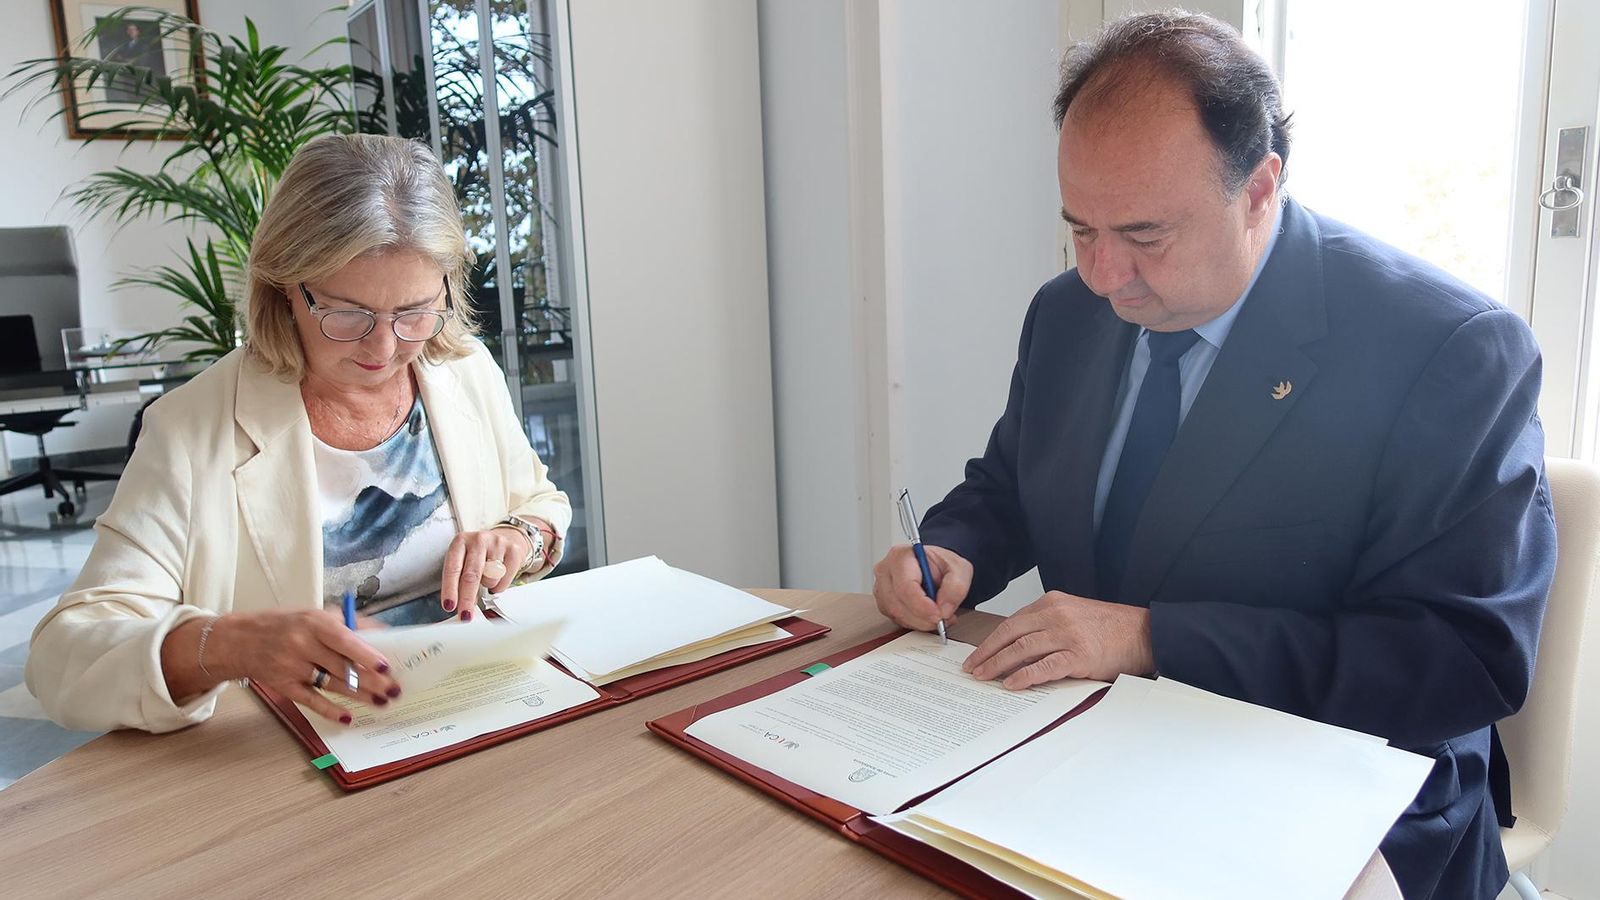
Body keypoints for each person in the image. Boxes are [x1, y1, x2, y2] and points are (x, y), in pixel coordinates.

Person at [871, 12, 1553, 900]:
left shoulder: (1447, 350)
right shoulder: (1068, 314)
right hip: (1099, 740)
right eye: (1082, 229)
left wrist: (1151, 638)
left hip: (1341, 771)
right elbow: (1014, 484)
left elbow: (1461, 658)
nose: (1104, 275)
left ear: (1260, 188)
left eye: (1145, 236)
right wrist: (953, 548)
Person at [27, 134, 570, 734]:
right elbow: (63, 659)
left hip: (477, 703)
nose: (385, 347)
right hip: (300, 743)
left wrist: (520, 536)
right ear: (285, 285)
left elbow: (539, 502)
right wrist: (226, 645)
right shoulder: (190, 430)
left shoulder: (464, 370)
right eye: (348, 313)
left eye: (414, 312)